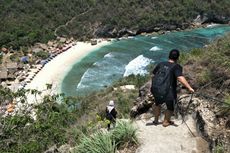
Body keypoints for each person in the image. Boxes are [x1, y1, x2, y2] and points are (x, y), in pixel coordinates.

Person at [151, 49, 194, 127]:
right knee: (170, 106)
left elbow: (153, 75)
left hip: (156, 88)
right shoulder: (176, 66)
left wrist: (157, 85)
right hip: (168, 90)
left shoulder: (161, 64)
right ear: (177, 58)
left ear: (169, 56)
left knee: (157, 104)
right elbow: (180, 77)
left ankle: (156, 120)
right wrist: (189, 88)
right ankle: (166, 122)